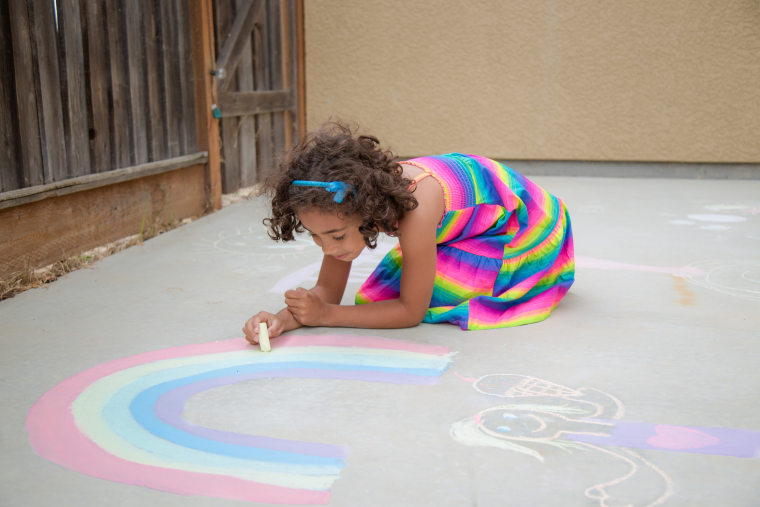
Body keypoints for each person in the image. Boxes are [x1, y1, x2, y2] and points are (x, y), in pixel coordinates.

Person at [242, 123, 574, 345]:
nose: (329, 249)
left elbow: (409, 313)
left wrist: (328, 316)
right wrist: (280, 322)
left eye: (337, 236)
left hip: (529, 227)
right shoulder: (350, 203)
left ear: (368, 205)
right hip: (467, 227)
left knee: (420, 296)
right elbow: (327, 291)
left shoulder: (414, 207)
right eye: (317, 237)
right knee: (381, 297)